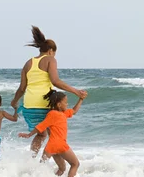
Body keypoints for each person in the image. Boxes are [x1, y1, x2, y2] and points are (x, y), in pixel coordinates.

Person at [10, 26, 87, 155]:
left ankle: (32, 161)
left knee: (41, 135)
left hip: (29, 106)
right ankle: (57, 167)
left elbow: (22, 88)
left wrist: (14, 101)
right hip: (44, 105)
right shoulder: (50, 59)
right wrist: (76, 92)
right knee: (54, 137)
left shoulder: (28, 63)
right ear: (51, 51)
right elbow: (55, 81)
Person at [19, 89, 84, 177]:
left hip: (51, 147)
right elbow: (41, 126)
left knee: (60, 168)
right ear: (59, 105)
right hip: (61, 145)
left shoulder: (63, 113)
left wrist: (81, 99)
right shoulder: (53, 114)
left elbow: (74, 111)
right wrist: (29, 135)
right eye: (65, 102)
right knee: (75, 164)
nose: (67, 104)